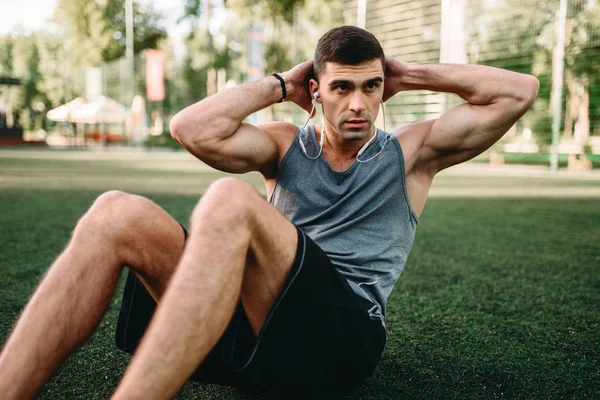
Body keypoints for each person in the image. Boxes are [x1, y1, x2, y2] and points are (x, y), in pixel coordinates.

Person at [0, 26, 539, 399]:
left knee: (231, 200)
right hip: (253, 333)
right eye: (342, 88)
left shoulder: (412, 154)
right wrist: (280, 85)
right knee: (115, 212)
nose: (358, 104)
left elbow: (519, 91)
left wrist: (405, 72)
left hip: (337, 347)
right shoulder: (285, 147)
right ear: (315, 92)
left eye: (371, 88)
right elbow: (191, 129)